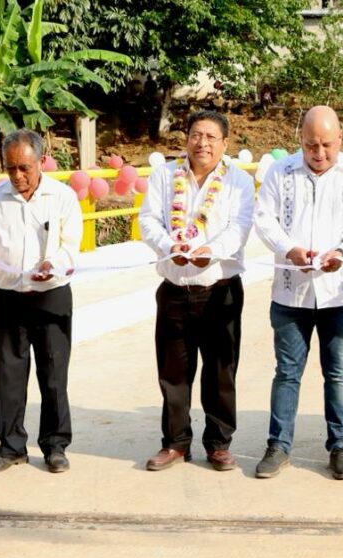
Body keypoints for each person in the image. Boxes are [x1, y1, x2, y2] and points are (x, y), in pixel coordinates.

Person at [252, 106, 343, 480]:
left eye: (326, 145)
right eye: (310, 146)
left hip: (339, 292)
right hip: (292, 292)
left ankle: (340, 447)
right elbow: (264, 218)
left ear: (340, 138)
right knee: (287, 372)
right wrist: (289, 249)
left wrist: (342, 253)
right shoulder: (281, 171)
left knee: (337, 372)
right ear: (299, 140)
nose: (319, 153)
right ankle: (278, 446)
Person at [139, 110, 255, 472]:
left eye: (210, 137)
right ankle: (175, 443)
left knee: (221, 371)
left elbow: (240, 226)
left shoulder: (238, 182)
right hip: (175, 288)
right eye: (195, 135)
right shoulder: (164, 176)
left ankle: (218, 444)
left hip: (220, 289)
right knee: (173, 373)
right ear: (186, 138)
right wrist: (168, 245)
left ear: (225, 143)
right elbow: (148, 220)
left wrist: (212, 252)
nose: (202, 143)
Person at [0, 128, 83, 474]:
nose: (17, 176)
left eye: (24, 168)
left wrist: (53, 266)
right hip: (8, 297)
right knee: (9, 375)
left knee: (54, 375)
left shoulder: (61, 197)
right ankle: (11, 447)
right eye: (10, 168)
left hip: (51, 296)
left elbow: (72, 246)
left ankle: (55, 446)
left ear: (41, 162)